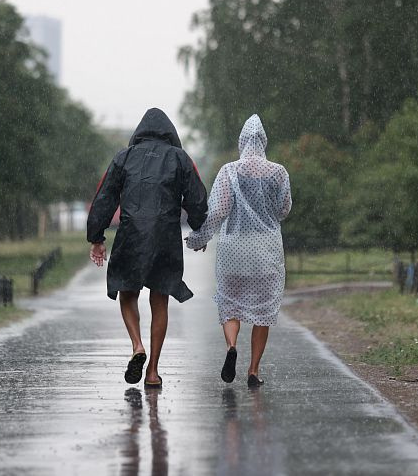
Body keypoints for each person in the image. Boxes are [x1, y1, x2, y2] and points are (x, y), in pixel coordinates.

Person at [87, 107, 208, 388]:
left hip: (131, 235)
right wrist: (200, 228)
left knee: (127, 292)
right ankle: (152, 371)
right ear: (171, 134)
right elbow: (197, 198)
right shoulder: (180, 159)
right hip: (166, 237)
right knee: (159, 300)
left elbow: (104, 197)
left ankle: (137, 345)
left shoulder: (124, 157)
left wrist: (97, 237)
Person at [186, 114, 291, 388]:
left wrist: (200, 237)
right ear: (264, 141)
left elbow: (218, 211)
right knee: (264, 310)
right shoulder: (278, 172)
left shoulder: (229, 171)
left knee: (230, 303)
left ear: (242, 141)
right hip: (266, 249)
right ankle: (253, 370)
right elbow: (284, 209)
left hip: (233, 248)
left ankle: (232, 346)